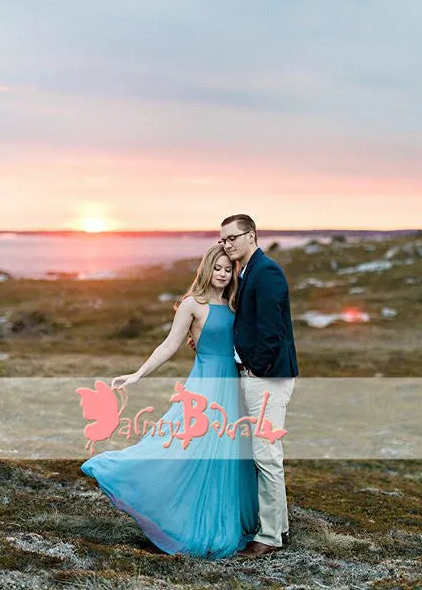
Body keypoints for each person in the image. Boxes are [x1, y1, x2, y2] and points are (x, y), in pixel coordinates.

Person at [80, 245, 259, 559]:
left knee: (231, 455)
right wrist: (138, 374)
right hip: (205, 386)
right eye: (217, 268)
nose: (222, 274)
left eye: (227, 269)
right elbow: (169, 345)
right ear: (207, 269)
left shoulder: (234, 303)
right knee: (187, 448)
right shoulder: (193, 304)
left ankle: (225, 521)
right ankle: (179, 515)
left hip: (233, 387)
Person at [218, 214, 299, 558]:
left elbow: (271, 330)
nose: (227, 244)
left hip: (266, 378)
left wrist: (256, 368)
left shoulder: (266, 272)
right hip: (258, 376)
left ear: (251, 235)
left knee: (266, 456)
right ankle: (277, 526)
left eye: (232, 238)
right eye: (223, 240)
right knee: (264, 455)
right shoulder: (247, 271)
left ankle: (268, 537)